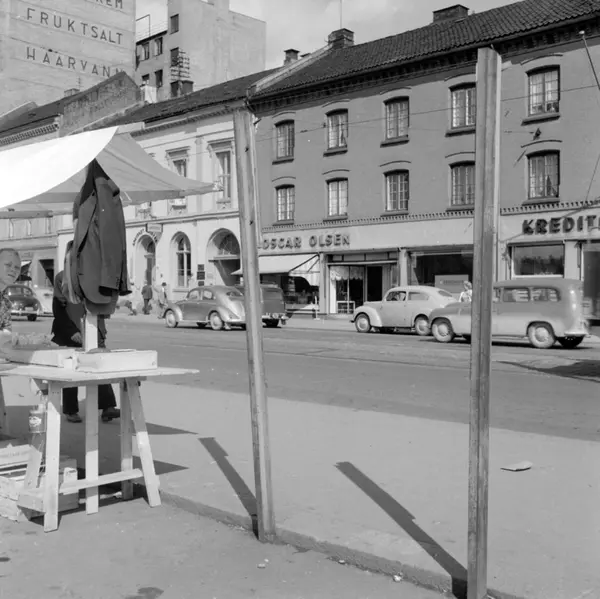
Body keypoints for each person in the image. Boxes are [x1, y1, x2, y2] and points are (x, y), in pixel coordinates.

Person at [51, 269, 121, 424]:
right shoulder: (62, 277)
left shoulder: (93, 274)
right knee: (71, 369)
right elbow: (58, 309)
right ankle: (71, 410)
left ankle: (107, 407)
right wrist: (71, 331)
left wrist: (100, 331)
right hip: (71, 331)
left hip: (93, 328)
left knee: (99, 366)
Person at [0, 248, 22, 350]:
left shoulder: (5, 301)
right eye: (8, 265)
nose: (13, 270)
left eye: (17, 267)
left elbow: (6, 332)